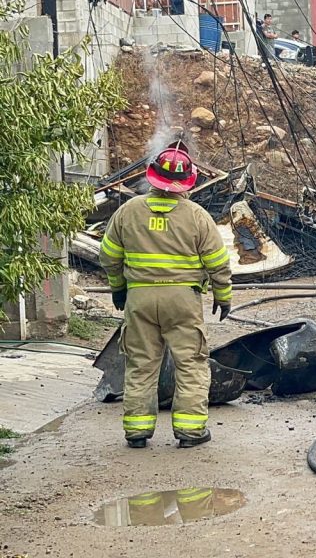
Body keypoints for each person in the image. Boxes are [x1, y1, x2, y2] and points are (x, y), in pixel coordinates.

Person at [99, 141, 232, 449]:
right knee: (191, 363)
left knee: (141, 364)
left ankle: (137, 432)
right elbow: (218, 263)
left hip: (140, 299)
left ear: (151, 176)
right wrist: (223, 297)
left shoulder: (127, 212)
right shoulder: (197, 216)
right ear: (188, 181)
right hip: (182, 301)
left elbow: (109, 256)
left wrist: (118, 288)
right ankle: (190, 432)